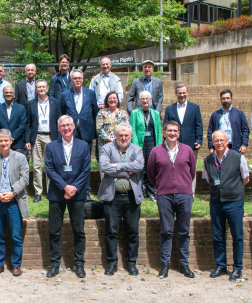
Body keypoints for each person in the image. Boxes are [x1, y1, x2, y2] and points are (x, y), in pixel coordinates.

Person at [147, 120, 196, 279]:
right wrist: (162, 186)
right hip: (164, 195)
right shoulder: (155, 151)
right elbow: (151, 173)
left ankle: (184, 265)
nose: (172, 133)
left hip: (184, 194)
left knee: (184, 231)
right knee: (166, 231)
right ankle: (165, 265)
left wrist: (183, 186)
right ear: (164, 132)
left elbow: (192, 172)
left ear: (179, 133)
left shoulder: (187, 150)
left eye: (175, 131)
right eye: (169, 131)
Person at [44, 115, 91, 278]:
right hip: (57, 193)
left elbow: (86, 170)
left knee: (78, 230)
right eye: (62, 126)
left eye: (69, 125)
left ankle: (79, 264)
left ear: (73, 126)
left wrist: (74, 188)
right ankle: (55, 264)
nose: (66, 128)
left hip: (77, 194)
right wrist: (65, 187)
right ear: (58, 128)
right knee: (54, 231)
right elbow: (49, 169)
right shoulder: (51, 146)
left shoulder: (83, 145)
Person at [202, 130, 250, 281]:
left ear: (227, 140)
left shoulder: (238, 157)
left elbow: (245, 178)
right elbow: (208, 179)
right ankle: (221, 265)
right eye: (216, 140)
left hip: (234, 202)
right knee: (217, 236)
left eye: (222, 140)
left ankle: (237, 268)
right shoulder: (208, 160)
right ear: (212, 142)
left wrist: (231, 189)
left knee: (237, 236)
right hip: (216, 203)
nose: (219, 143)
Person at [98, 123, 144, 276]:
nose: (123, 138)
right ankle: (112, 263)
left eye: (126, 135)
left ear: (131, 136)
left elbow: (139, 166)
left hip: (131, 197)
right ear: (116, 136)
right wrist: (127, 168)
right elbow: (104, 166)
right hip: (113, 197)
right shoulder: (107, 148)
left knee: (133, 232)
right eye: (120, 135)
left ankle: (131, 263)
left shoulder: (137, 149)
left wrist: (116, 166)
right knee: (111, 231)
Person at [0, 129, 30, 276]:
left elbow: (25, 178)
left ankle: (16, 265)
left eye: (6, 140)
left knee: (16, 235)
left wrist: (12, 192)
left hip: (14, 201)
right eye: (0, 141)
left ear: (11, 141)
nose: (3, 143)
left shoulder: (20, 157)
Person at [60, 69, 98, 200]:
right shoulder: (65, 94)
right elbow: (62, 114)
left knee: (86, 164)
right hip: (70, 134)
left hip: (86, 133)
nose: (77, 80)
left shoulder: (91, 93)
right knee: (71, 162)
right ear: (71, 80)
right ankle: (71, 189)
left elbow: (95, 113)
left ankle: (85, 191)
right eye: (74, 78)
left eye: (79, 78)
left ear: (83, 80)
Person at [24, 79, 61, 203]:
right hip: (36, 137)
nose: (41, 89)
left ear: (47, 88)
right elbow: (28, 123)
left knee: (51, 165)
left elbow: (59, 121)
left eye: (43, 87)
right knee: (37, 166)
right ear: (35, 89)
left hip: (51, 136)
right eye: (39, 87)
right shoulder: (30, 104)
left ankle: (51, 190)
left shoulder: (55, 102)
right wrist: (28, 139)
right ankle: (38, 192)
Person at [163, 84, 202, 194]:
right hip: (173, 144)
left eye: (184, 92)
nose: (182, 95)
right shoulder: (170, 109)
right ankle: (175, 190)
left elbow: (199, 124)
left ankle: (191, 192)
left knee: (191, 168)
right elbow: (166, 125)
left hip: (191, 143)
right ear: (176, 94)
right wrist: (165, 141)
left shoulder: (195, 107)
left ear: (187, 93)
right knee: (173, 167)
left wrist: (199, 140)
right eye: (179, 93)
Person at [130, 91, 163, 202]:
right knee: (139, 167)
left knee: (151, 167)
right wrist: (135, 146)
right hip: (139, 143)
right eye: (142, 98)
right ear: (139, 101)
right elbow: (133, 130)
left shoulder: (156, 114)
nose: (145, 100)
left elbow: (158, 131)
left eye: (147, 98)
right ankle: (139, 190)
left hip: (152, 144)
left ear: (150, 100)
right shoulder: (135, 113)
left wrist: (159, 146)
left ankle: (151, 192)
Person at [89, 57, 124, 164]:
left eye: (107, 64)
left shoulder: (116, 79)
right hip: (99, 110)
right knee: (100, 135)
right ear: (100, 66)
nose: (105, 66)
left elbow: (120, 96)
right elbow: (91, 95)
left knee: (114, 133)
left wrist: (112, 104)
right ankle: (101, 161)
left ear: (110, 65)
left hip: (113, 109)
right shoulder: (95, 79)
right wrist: (98, 105)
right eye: (103, 64)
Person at [207, 89, 249, 154]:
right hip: (219, 146)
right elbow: (210, 132)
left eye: (228, 98)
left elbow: (245, 130)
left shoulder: (239, 113)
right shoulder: (215, 115)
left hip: (235, 146)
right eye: (223, 98)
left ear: (231, 99)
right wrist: (211, 147)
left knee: (234, 164)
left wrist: (244, 144)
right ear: (220, 100)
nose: (226, 100)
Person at [0, 86, 28, 159]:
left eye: (10, 92)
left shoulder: (21, 108)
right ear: (3, 95)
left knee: (17, 166)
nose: (8, 94)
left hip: (17, 143)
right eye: (6, 92)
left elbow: (22, 125)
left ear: (14, 95)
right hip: (2, 143)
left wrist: (11, 138)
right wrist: (4, 138)